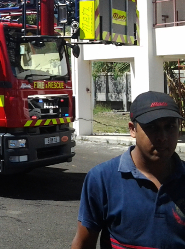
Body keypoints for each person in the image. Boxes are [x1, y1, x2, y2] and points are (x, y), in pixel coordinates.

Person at [71, 91, 185, 249]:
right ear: (132, 129)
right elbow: (84, 243)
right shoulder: (102, 178)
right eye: (152, 128)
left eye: (170, 127)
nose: (163, 137)